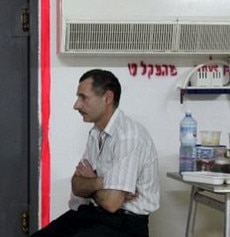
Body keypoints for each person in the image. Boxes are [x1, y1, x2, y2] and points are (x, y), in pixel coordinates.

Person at [32, 69, 160, 237]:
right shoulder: (95, 134)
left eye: (83, 97)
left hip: (125, 225)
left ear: (107, 98)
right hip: (93, 215)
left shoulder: (128, 136)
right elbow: (76, 185)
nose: (76, 105)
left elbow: (112, 203)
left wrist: (91, 181)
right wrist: (102, 182)